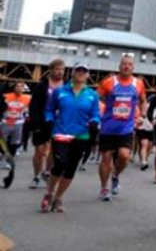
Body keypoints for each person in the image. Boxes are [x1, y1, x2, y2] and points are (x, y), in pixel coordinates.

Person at [40, 63, 100, 213]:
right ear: (72, 73)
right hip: (61, 133)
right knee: (60, 164)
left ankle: (58, 197)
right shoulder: (60, 91)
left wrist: (95, 122)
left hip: (81, 135)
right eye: (78, 70)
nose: (80, 73)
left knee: (71, 168)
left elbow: (96, 114)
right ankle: (49, 192)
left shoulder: (92, 95)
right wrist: (48, 119)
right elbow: (50, 109)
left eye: (84, 71)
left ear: (87, 75)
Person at [97, 55, 146, 201]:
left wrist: (142, 115)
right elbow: (96, 99)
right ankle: (104, 188)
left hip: (126, 127)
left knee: (124, 156)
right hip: (108, 127)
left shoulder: (138, 84)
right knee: (106, 158)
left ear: (133, 68)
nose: (126, 66)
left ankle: (116, 175)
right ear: (119, 66)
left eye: (129, 64)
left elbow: (143, 101)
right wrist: (99, 112)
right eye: (124, 64)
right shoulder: (109, 82)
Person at [28, 59, 65, 189]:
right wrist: (35, 123)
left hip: (59, 123)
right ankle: (36, 176)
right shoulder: (42, 86)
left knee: (54, 151)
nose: (60, 72)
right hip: (42, 122)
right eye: (57, 69)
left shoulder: (66, 87)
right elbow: (33, 105)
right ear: (51, 70)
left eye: (62, 69)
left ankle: (47, 172)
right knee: (39, 151)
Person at [2, 80, 30, 187]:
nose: (19, 88)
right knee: (2, 142)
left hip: (18, 123)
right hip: (6, 122)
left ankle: (9, 161)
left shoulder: (27, 98)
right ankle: (2, 159)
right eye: (17, 86)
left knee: (14, 144)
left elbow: (30, 109)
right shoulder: (6, 96)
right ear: (14, 87)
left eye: (21, 86)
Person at [135, 101, 154, 171]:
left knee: (149, 146)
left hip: (151, 128)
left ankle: (144, 158)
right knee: (144, 144)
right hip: (142, 128)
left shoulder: (153, 106)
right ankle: (143, 161)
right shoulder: (139, 105)